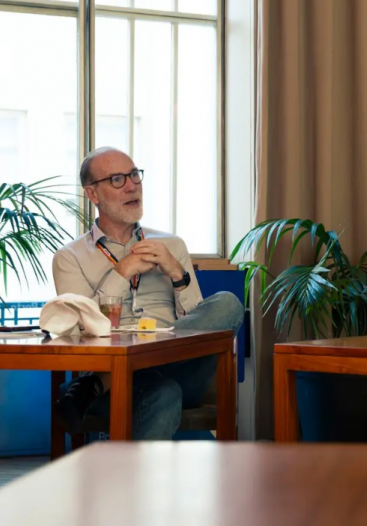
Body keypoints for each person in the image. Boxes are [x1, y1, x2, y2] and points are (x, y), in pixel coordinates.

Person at [52, 147, 244, 439]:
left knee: (227, 304)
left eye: (134, 175)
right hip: (117, 374)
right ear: (93, 194)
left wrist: (177, 273)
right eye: (117, 179)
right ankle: (107, 383)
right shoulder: (70, 257)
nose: (132, 186)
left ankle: (96, 384)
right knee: (163, 392)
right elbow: (79, 329)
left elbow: (201, 325)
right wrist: (121, 272)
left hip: (182, 369)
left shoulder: (172, 245)